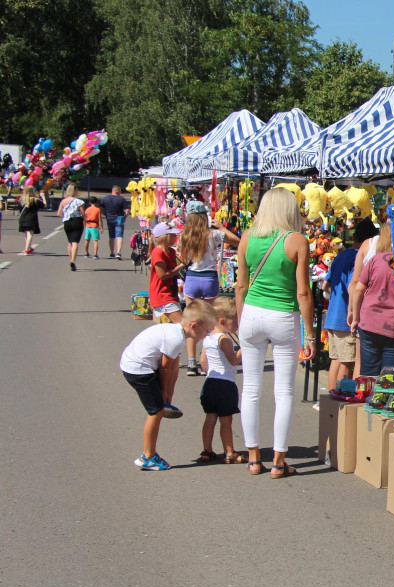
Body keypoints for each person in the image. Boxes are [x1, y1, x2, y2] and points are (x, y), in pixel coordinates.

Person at [235, 187, 315, 478]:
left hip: (252, 314)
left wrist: (242, 320)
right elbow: (303, 292)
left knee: (251, 389)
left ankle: (254, 457)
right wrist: (310, 335)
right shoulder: (297, 241)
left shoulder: (247, 237)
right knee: (284, 391)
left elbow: (240, 286)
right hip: (283, 315)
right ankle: (278, 462)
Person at [120, 299, 216, 470]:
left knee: (159, 406)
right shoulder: (175, 339)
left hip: (139, 363)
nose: (206, 335)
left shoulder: (177, 333)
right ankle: (147, 456)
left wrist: (169, 393)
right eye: (207, 331)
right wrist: (163, 392)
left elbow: (173, 366)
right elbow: (165, 369)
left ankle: (150, 449)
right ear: (194, 326)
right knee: (155, 412)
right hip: (138, 369)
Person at [178, 202, 240, 376]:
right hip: (209, 278)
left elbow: (183, 259)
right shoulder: (214, 234)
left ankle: (191, 363)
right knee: (212, 322)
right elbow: (237, 241)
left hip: (192, 277)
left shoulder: (185, 235)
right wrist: (221, 227)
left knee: (192, 321)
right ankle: (207, 360)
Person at [347, 226, 394, 376]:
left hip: (369, 324)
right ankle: (383, 398)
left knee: (368, 373)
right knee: (390, 378)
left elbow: (358, 290)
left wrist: (355, 316)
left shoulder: (376, 260)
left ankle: (368, 398)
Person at [324, 218, 376, 388]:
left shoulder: (341, 255)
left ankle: (331, 402)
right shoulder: (357, 258)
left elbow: (326, 285)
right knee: (347, 362)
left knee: (336, 360)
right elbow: (352, 288)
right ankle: (340, 401)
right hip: (345, 319)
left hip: (332, 316)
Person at [198, 297, 243, 464]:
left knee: (210, 418)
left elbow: (203, 362)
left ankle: (207, 450)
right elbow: (232, 360)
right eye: (235, 321)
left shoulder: (208, 339)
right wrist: (243, 348)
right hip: (225, 384)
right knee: (226, 420)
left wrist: (210, 373)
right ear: (223, 321)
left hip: (210, 383)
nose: (238, 324)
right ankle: (229, 451)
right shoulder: (224, 339)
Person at [149, 222, 185, 323]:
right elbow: (163, 275)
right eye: (172, 235)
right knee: (182, 325)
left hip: (171, 292)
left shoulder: (171, 251)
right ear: (165, 237)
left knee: (179, 326)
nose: (175, 237)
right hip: (162, 294)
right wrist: (181, 266)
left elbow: (172, 271)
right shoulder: (158, 252)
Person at [57, 183, 85, 271]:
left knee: (70, 241)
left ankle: (70, 259)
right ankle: (73, 261)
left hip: (67, 222)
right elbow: (83, 214)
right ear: (75, 191)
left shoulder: (63, 201)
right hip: (77, 221)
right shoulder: (79, 201)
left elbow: (59, 214)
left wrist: (65, 215)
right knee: (75, 242)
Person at [100, 185, 130, 259]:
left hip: (109, 218)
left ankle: (112, 253)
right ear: (118, 191)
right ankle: (118, 253)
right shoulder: (122, 199)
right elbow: (127, 210)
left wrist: (105, 214)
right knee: (119, 236)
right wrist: (125, 217)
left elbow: (100, 208)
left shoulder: (105, 198)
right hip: (119, 218)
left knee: (111, 236)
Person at [16, 186, 44, 255]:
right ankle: (27, 249)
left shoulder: (21, 199)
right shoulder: (35, 200)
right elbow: (43, 205)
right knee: (30, 234)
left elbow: (19, 208)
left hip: (22, 218)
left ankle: (28, 247)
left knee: (26, 233)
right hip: (31, 219)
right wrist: (43, 197)